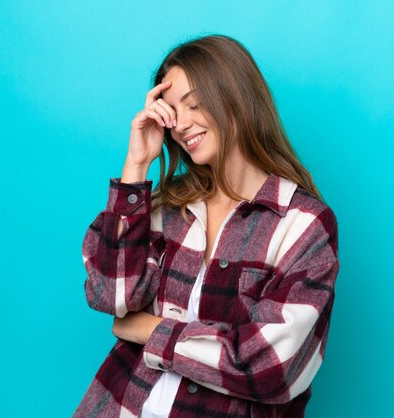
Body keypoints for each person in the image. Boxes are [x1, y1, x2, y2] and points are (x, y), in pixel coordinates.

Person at [72, 34, 339, 418]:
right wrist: (136, 167)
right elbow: (111, 296)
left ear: (235, 97)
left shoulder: (303, 225)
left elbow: (273, 369)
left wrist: (151, 330)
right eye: (171, 113)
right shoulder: (169, 206)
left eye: (194, 104)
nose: (181, 125)